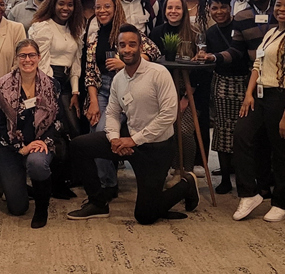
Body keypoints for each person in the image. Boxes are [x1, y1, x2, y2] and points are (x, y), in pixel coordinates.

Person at [69, 24, 201, 224]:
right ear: (118, 48)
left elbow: (169, 115)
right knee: (79, 145)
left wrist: (134, 140)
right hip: (128, 141)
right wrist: (114, 139)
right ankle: (98, 202)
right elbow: (112, 111)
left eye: (132, 44)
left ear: (141, 47)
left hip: (156, 148)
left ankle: (186, 184)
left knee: (145, 216)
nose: (127, 49)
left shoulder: (159, 73)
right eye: (122, 45)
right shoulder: (119, 79)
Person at [232, 0, 285, 224]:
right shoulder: (272, 32)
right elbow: (258, 63)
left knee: (283, 151)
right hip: (260, 96)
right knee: (241, 137)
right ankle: (249, 193)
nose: (281, 9)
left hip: (283, 99)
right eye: (278, 4)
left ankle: (281, 203)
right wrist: (249, 94)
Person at [84, 0, 162, 198]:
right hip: (102, 89)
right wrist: (93, 101)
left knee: (103, 132)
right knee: (94, 132)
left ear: (116, 7)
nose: (102, 11)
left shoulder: (127, 32)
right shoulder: (94, 37)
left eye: (107, 6)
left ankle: (109, 184)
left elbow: (154, 52)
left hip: (127, 88)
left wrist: (124, 62)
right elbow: (90, 73)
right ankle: (106, 182)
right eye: (98, 7)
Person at [0, 40, 61, 228]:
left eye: (32, 55)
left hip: (40, 143)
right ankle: (27, 187)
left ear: (39, 57)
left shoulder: (52, 85)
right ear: (17, 58)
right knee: (17, 207)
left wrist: (44, 141)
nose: (27, 59)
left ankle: (41, 208)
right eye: (23, 55)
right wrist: (21, 148)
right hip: (9, 147)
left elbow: (58, 121)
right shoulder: (1, 86)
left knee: (37, 163)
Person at [29, 0, 84, 197]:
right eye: (62, 3)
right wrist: (48, 92)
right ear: (53, 4)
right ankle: (50, 183)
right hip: (48, 84)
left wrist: (76, 92)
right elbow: (41, 63)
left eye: (70, 4)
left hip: (68, 86)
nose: (66, 8)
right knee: (54, 132)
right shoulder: (43, 27)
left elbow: (75, 63)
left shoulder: (74, 29)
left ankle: (63, 179)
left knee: (72, 132)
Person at [197, 0, 251, 194]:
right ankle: (226, 179)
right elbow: (207, 57)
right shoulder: (210, 32)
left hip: (243, 84)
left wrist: (214, 57)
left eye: (223, 7)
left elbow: (239, 54)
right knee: (222, 132)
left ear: (230, 8)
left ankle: (244, 178)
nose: (219, 11)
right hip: (220, 84)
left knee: (242, 133)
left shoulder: (240, 27)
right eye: (214, 7)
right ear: (209, 9)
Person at [149, 0, 199, 172]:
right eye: (170, 8)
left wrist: (186, 97)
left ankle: (186, 171)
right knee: (164, 133)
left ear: (184, 11)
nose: (173, 11)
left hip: (187, 90)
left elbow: (199, 71)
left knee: (184, 132)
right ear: (164, 11)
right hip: (161, 90)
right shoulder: (156, 32)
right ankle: (169, 168)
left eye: (177, 8)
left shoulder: (194, 34)